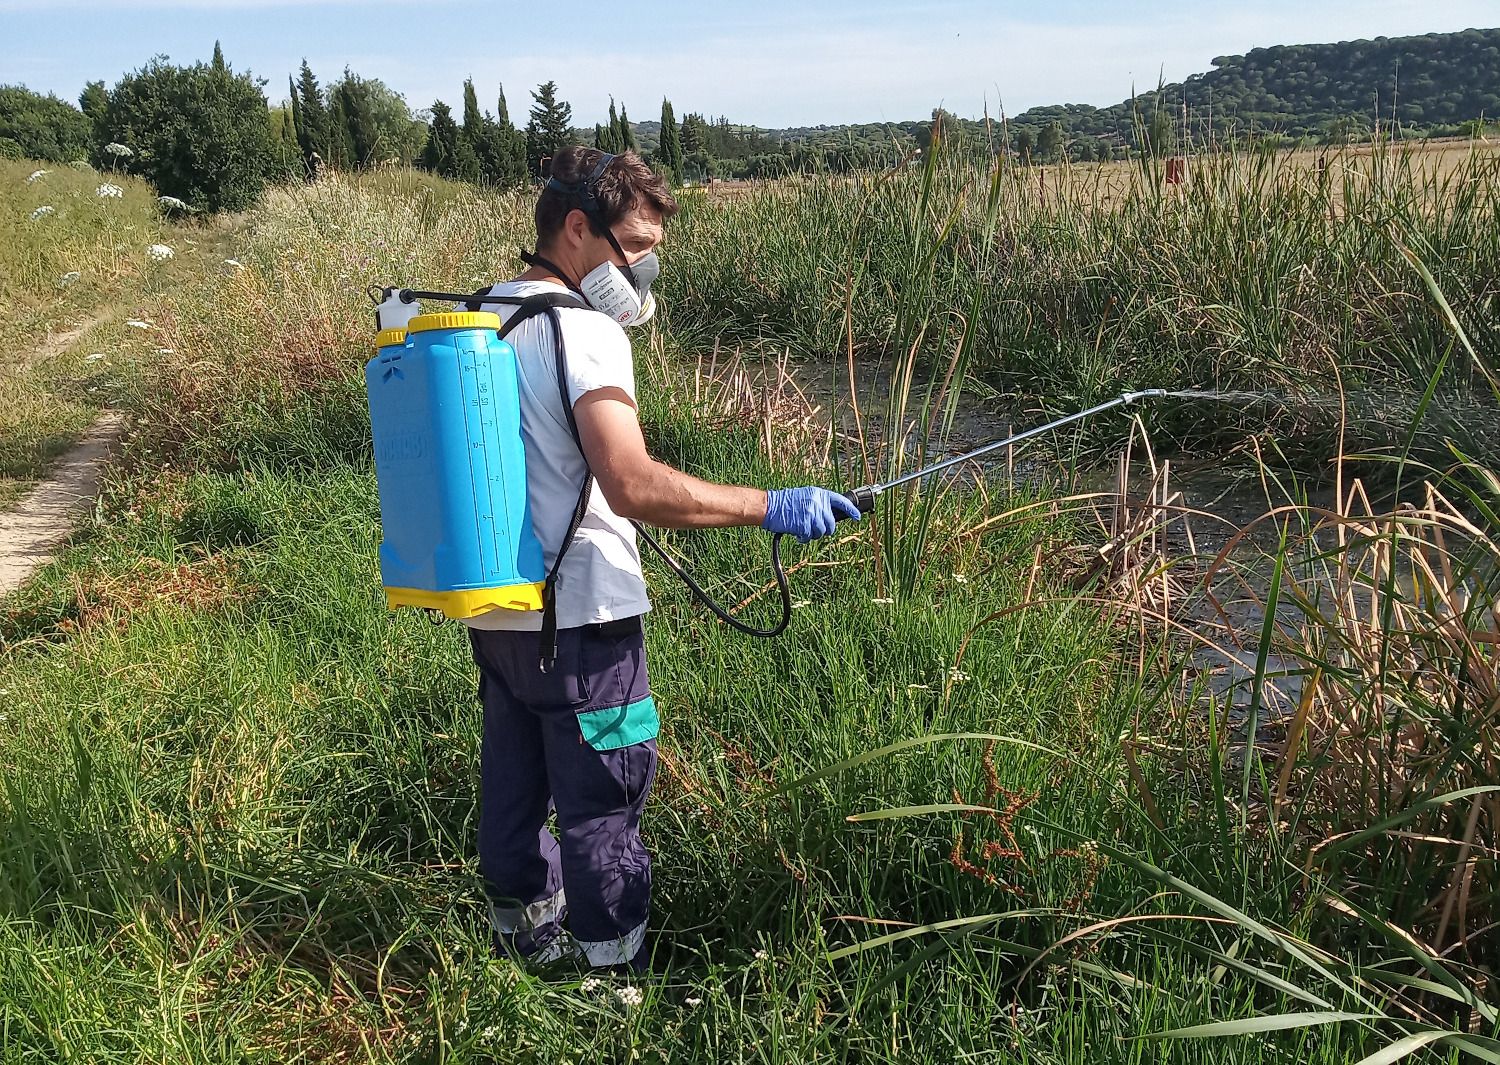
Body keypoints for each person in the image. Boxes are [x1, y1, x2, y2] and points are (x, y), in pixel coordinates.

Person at [464, 146, 858, 973]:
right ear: (577, 229)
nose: (643, 271)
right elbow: (633, 482)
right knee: (604, 799)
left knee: (512, 785)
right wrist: (771, 505)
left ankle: (526, 949)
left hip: (497, 615)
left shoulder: (482, 313)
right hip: (587, 629)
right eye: (634, 248)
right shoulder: (586, 331)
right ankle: (615, 992)